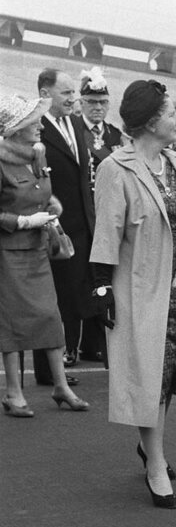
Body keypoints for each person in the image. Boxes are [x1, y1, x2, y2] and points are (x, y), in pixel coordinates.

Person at [90, 79, 176, 509]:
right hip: (138, 285)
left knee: (168, 370)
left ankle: (151, 447)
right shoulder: (115, 168)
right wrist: (102, 288)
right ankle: (155, 462)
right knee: (148, 373)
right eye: (173, 111)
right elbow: (106, 233)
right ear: (151, 121)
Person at [0, 94, 88, 417]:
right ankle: (13, 393)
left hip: (37, 251)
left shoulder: (36, 154)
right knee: (12, 324)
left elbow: (42, 193)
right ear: (16, 128)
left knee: (51, 316)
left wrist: (52, 208)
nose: (40, 125)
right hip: (9, 254)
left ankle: (60, 387)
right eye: (33, 122)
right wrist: (22, 221)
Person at [34, 68, 94, 386]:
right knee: (52, 299)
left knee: (72, 295)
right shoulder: (35, 128)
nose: (74, 98)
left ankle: (66, 356)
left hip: (80, 226)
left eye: (74, 93)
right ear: (46, 94)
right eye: (67, 93)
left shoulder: (73, 123)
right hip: (52, 228)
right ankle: (47, 370)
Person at [75, 66, 122, 362]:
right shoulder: (74, 132)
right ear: (82, 103)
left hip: (105, 215)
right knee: (77, 280)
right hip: (80, 216)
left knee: (101, 279)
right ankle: (72, 344)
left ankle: (94, 343)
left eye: (102, 103)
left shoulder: (115, 134)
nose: (97, 108)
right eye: (91, 102)